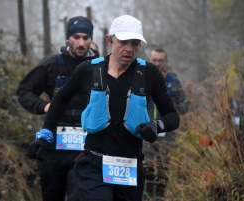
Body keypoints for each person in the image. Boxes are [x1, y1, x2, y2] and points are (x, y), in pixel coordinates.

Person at [30, 15, 180, 201]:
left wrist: (156, 125)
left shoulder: (149, 73)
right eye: (123, 42)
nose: (129, 49)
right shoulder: (89, 70)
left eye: (135, 43)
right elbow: (61, 99)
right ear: (110, 40)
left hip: (130, 166)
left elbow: (172, 116)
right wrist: (46, 133)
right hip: (94, 163)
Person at [16, 16, 99, 201]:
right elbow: (24, 90)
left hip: (86, 150)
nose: (81, 42)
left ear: (91, 40)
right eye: (76, 37)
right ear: (67, 38)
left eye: (86, 38)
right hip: (54, 149)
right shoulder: (51, 65)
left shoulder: (100, 68)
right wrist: (44, 106)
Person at [143, 48, 188, 200]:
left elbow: (185, 103)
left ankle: (159, 197)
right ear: (149, 60)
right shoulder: (142, 78)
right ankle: (148, 197)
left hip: (167, 132)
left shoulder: (172, 81)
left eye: (160, 60)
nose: (157, 63)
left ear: (166, 62)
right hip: (147, 130)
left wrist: (173, 110)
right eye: (154, 60)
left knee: (164, 167)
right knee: (147, 166)